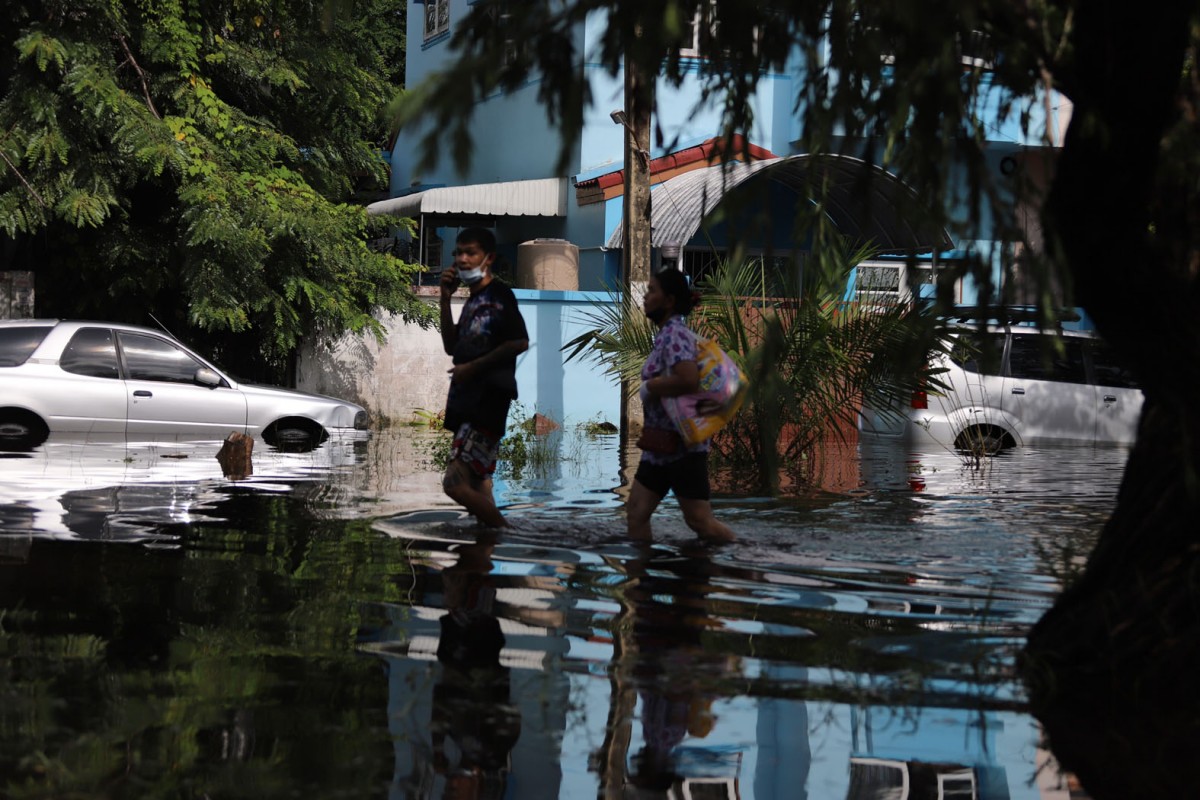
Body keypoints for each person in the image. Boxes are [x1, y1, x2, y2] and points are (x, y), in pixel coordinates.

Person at [627, 268, 735, 544]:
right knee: (637, 512)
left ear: (669, 300)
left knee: (699, 520)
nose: (645, 297)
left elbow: (687, 379)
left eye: (652, 291)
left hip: (683, 449)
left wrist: (650, 386)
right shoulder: (665, 334)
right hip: (660, 448)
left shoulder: (674, 334)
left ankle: (746, 559)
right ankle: (640, 581)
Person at [439, 227, 529, 528]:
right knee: (479, 485)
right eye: (459, 253)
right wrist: (444, 298)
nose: (463, 259)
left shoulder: (499, 295)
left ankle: (504, 533)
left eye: (471, 253)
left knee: (454, 484)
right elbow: (452, 348)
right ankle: (483, 562)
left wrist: (474, 368)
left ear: (487, 258)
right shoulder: (471, 302)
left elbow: (519, 342)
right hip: (466, 404)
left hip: (487, 403)